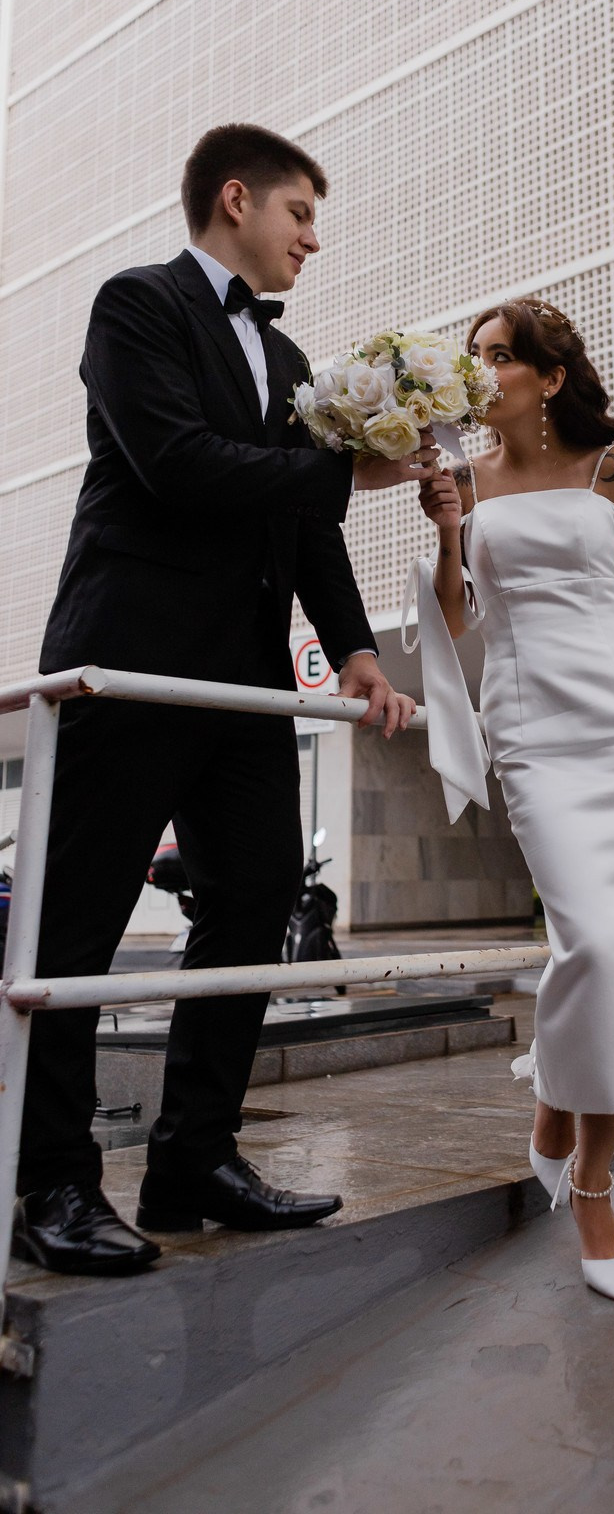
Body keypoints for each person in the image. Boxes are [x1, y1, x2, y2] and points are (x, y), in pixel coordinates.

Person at [13, 124, 438, 1276]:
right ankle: (48, 1183)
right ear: (236, 200)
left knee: (255, 900)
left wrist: (352, 648)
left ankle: (192, 1159)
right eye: (300, 214)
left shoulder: (293, 368)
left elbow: (300, 521)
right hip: (128, 658)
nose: (314, 238)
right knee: (77, 932)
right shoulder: (134, 305)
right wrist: (349, 472)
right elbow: (179, 464)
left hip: (244, 682)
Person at [413, 299, 614, 1300]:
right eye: (478, 359)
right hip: (532, 725)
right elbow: (456, 618)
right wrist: (451, 535)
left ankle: (590, 1178)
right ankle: (556, 1086)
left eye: (503, 358)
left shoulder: (613, 470)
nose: (486, 372)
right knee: (589, 942)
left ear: (549, 378)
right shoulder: (459, 481)